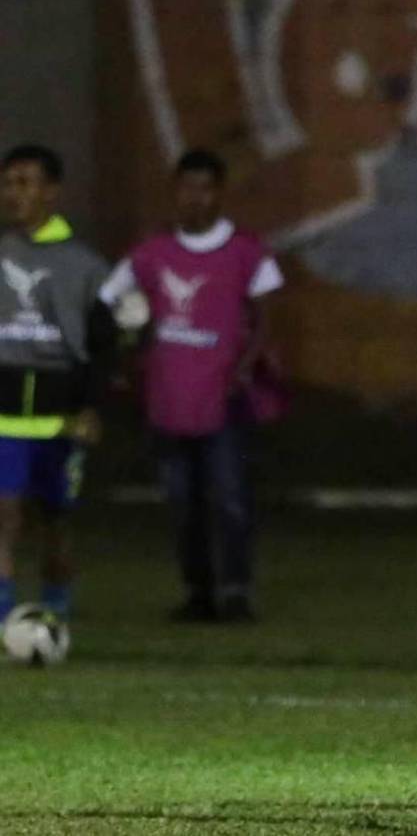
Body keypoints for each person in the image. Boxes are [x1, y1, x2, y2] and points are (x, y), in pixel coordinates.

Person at [99, 149, 284, 623]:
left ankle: (236, 591)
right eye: (186, 188)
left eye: (205, 188)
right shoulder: (152, 254)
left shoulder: (246, 251)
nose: (195, 198)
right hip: (169, 400)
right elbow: (108, 300)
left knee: (230, 499)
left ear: (220, 193)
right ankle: (198, 593)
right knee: (183, 503)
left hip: (223, 400)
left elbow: (266, 319)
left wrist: (244, 368)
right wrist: (127, 343)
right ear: (174, 191)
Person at [0, 144, 116, 620]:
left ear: (51, 191)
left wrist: (91, 407)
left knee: (55, 525)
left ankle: (54, 614)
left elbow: (104, 344)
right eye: (8, 183)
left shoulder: (85, 265)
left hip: (60, 418)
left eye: (25, 183)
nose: (13, 193)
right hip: (5, 415)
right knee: (4, 516)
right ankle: (3, 618)